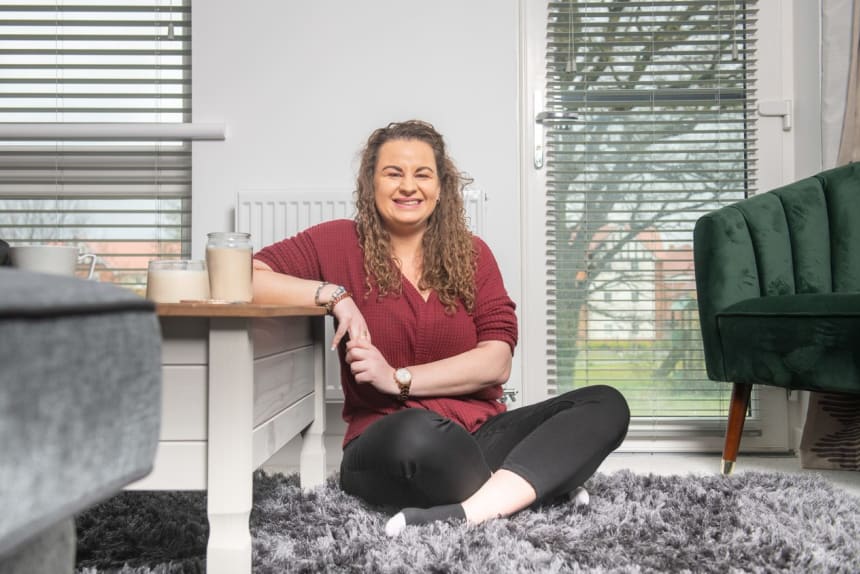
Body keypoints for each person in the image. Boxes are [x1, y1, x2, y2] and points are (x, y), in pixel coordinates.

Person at [252, 120, 630, 536]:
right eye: (393, 173)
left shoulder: (473, 255)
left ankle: (470, 510)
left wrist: (397, 379)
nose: (408, 186)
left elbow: (497, 361)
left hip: (481, 434)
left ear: (441, 186)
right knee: (418, 433)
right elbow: (245, 276)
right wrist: (335, 296)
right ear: (370, 183)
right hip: (390, 441)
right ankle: (534, 487)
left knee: (605, 403)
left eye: (422, 174)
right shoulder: (337, 241)